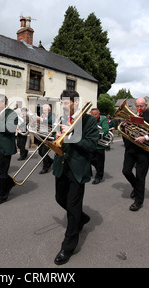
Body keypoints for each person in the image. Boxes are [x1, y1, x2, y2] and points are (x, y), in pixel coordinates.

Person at [52, 90, 99, 265]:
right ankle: (82, 217)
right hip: (62, 165)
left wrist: (71, 136)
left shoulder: (88, 120)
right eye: (62, 103)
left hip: (77, 169)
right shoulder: (62, 118)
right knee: (59, 198)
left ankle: (68, 246)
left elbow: (91, 145)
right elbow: (59, 140)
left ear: (76, 102)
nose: (63, 106)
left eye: (66, 103)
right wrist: (57, 137)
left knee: (72, 206)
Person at [121, 98, 149, 211]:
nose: (139, 108)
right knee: (126, 171)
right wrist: (125, 128)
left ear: (146, 105)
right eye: (137, 106)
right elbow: (129, 130)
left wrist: (145, 138)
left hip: (143, 151)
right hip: (130, 149)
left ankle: (138, 201)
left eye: (141, 106)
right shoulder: (133, 115)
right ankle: (136, 187)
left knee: (140, 177)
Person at [0, 94, 18, 206]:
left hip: (5, 146)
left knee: (2, 171)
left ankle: (2, 195)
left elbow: (11, 129)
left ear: (3, 103)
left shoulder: (11, 113)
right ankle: (10, 183)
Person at [90, 108, 109, 184]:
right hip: (91, 144)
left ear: (99, 114)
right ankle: (98, 170)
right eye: (93, 114)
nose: (94, 116)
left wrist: (97, 135)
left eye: (96, 114)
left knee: (100, 162)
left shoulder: (103, 119)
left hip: (100, 144)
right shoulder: (90, 120)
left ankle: (99, 177)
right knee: (89, 159)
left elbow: (105, 129)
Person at [36, 104, 55, 174]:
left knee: (44, 152)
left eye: (45, 110)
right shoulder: (42, 115)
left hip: (47, 136)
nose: (43, 111)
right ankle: (50, 161)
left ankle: (45, 167)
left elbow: (50, 121)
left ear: (49, 110)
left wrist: (39, 119)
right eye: (43, 110)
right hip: (41, 135)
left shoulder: (51, 115)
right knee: (40, 151)